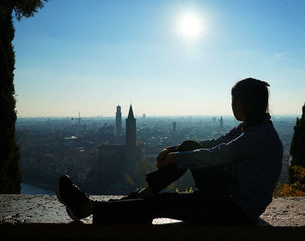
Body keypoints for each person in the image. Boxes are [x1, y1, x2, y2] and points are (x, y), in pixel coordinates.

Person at [56, 78, 283, 224]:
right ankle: (140, 196)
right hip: (228, 196)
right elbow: (215, 143)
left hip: (237, 211)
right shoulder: (252, 127)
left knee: (161, 204)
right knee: (188, 146)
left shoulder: (259, 136)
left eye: (235, 101)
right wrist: (176, 150)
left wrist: (177, 157)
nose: (233, 106)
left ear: (244, 104)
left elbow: (219, 154)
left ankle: (88, 208)